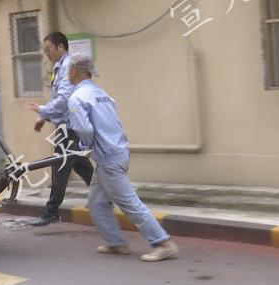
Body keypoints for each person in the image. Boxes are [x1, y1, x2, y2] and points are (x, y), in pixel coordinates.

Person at [66, 52, 178, 262]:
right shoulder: (102, 94)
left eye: (68, 70)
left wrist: (85, 146)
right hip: (118, 152)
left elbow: (85, 129)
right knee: (97, 202)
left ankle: (163, 243)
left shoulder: (77, 98)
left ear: (73, 71)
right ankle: (116, 243)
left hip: (107, 158)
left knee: (131, 204)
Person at [25, 32, 94, 226]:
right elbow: (57, 97)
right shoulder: (59, 66)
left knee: (60, 167)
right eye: (45, 50)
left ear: (60, 47)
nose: (46, 53)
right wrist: (44, 116)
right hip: (68, 125)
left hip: (71, 125)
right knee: (81, 164)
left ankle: (51, 212)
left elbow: (64, 99)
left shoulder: (68, 66)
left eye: (48, 49)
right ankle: (104, 198)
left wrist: (42, 110)